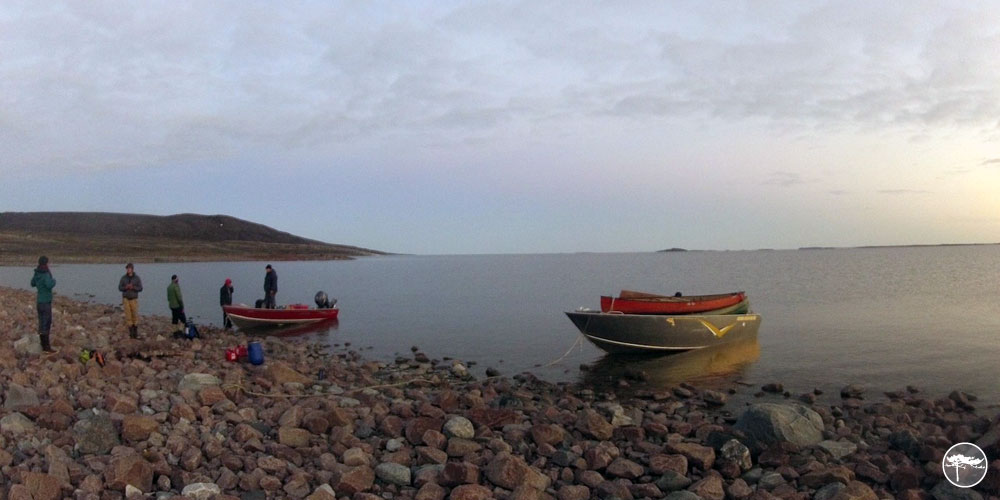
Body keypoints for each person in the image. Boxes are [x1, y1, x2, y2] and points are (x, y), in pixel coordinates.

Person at [29, 255, 56, 352]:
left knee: (41, 322)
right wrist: (54, 281)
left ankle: (43, 343)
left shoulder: (37, 273)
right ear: (46, 263)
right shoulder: (46, 273)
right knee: (47, 323)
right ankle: (46, 347)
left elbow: (32, 283)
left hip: (39, 301)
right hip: (46, 302)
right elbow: (49, 285)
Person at [118, 263, 143, 338]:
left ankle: (135, 333)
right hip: (126, 299)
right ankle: (131, 333)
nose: (128, 270)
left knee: (135, 314)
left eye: (129, 268)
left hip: (133, 299)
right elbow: (119, 288)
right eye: (127, 268)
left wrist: (133, 287)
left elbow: (140, 288)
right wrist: (125, 287)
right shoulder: (123, 278)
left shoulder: (137, 278)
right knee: (128, 316)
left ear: (132, 269)